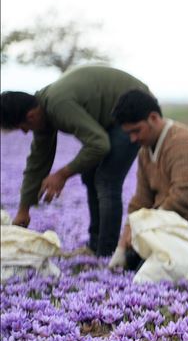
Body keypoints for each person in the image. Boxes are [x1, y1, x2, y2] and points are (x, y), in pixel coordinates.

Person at [0, 66, 150, 256]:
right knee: (89, 174)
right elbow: (37, 163)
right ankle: (96, 246)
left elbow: (99, 145)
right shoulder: (42, 111)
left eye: (23, 127)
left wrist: (62, 174)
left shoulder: (58, 106)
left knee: (106, 179)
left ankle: (106, 252)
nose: (25, 132)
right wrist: (24, 209)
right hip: (111, 118)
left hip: (136, 109)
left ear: (30, 116)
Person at [111, 89, 188, 269]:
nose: (133, 138)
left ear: (153, 118)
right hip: (165, 223)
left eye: (137, 131)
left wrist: (145, 227)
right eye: (129, 133)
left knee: (153, 269)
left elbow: (183, 198)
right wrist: (122, 245)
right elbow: (140, 200)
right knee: (131, 264)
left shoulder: (182, 143)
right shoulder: (145, 151)